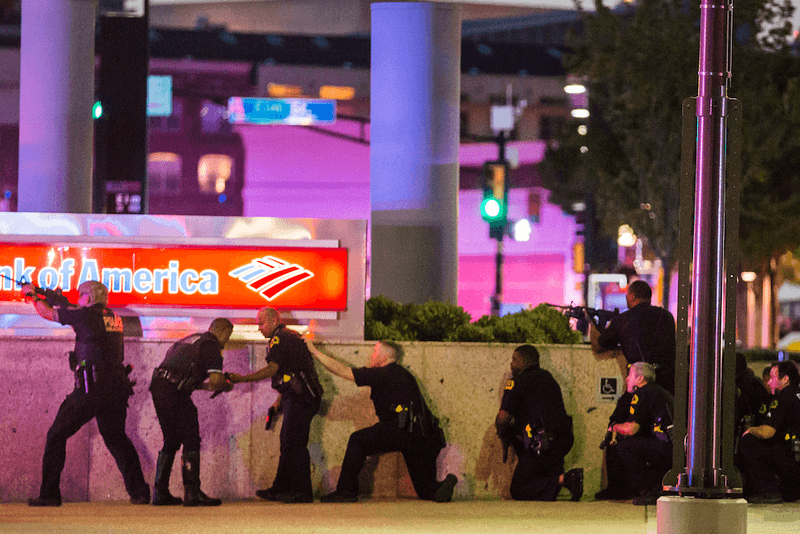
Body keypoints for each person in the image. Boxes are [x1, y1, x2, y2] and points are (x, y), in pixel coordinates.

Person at [21, 280, 151, 507]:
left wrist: (32, 295)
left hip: (92, 388)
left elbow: (47, 313)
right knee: (116, 438)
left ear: (88, 298)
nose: (78, 299)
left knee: (56, 435)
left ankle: (49, 494)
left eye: (80, 295)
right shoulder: (112, 317)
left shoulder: (85, 315)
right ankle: (139, 491)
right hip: (116, 388)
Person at [305, 338, 457, 503]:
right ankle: (446, 484)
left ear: (384, 357)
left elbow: (343, 371)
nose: (372, 355)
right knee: (427, 491)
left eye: (375, 351)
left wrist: (314, 351)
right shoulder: (404, 374)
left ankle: (346, 491)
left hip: (399, 430)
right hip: (424, 436)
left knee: (358, 440)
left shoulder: (382, 373)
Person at [228, 307, 323, 503]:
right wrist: (280, 399)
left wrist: (242, 379)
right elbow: (289, 371)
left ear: (273, 321)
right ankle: (281, 488)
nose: (259, 328)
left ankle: (302, 492)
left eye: (261, 323)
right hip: (296, 396)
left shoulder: (279, 338)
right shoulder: (288, 336)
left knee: (294, 443)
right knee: (288, 441)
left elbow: (273, 369)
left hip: (301, 398)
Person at [149, 318, 235, 506]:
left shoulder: (191, 340)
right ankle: (192, 491)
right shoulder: (212, 345)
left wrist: (211, 385)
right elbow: (215, 381)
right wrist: (226, 385)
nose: (226, 342)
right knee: (191, 439)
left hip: (159, 386)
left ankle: (160, 492)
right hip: (175, 392)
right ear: (222, 331)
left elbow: (187, 380)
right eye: (227, 337)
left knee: (171, 439)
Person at [495, 344, 583, 501]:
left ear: (525, 361)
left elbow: (503, 417)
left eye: (515, 359)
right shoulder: (549, 378)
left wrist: (502, 434)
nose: (511, 363)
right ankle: (559, 478)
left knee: (518, 490)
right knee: (545, 490)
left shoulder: (516, 382)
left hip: (540, 446)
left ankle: (564, 479)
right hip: (561, 444)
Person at [595, 362, 673, 505]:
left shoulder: (642, 393)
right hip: (673, 446)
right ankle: (655, 486)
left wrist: (614, 427)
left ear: (640, 378)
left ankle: (650, 490)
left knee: (624, 447)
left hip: (665, 447)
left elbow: (631, 429)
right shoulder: (659, 391)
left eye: (630, 375)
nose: (626, 379)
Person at [589, 279, 677, 394]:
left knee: (624, 410)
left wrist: (591, 323)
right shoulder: (666, 316)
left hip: (640, 382)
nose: (626, 298)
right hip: (667, 382)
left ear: (633, 296)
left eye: (627, 294)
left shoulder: (623, 319)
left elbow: (599, 346)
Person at [738, 361, 800, 504]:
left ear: (785, 379)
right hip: (795, 457)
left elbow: (767, 432)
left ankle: (768, 490)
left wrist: (750, 430)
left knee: (749, 442)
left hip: (790, 458)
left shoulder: (783, 398)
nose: (770, 383)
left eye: (772, 378)